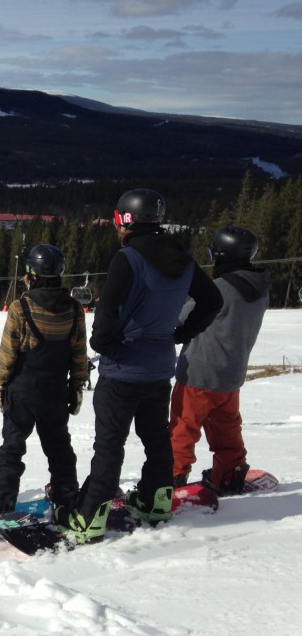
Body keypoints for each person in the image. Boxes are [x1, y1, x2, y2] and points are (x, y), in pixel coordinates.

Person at [55, 188, 223, 542]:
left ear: (125, 220)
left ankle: (90, 517)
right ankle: (155, 499)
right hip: (159, 367)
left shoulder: (128, 258)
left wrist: (103, 344)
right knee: (156, 437)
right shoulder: (182, 258)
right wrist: (179, 333)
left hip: (123, 368)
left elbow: (107, 311)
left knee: (110, 444)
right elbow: (212, 300)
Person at [0, 244, 89, 519]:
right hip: (55, 393)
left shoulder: (21, 307)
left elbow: (8, 354)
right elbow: (79, 355)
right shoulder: (76, 310)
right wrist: (76, 388)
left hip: (23, 392)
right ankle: (66, 497)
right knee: (59, 448)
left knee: (12, 449)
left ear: (31, 273)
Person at [170, 224, 269, 494]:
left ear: (222, 255)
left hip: (199, 373)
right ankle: (230, 475)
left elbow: (180, 318)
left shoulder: (221, 288)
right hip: (231, 376)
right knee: (227, 430)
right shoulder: (260, 289)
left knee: (182, 428)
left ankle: (172, 479)